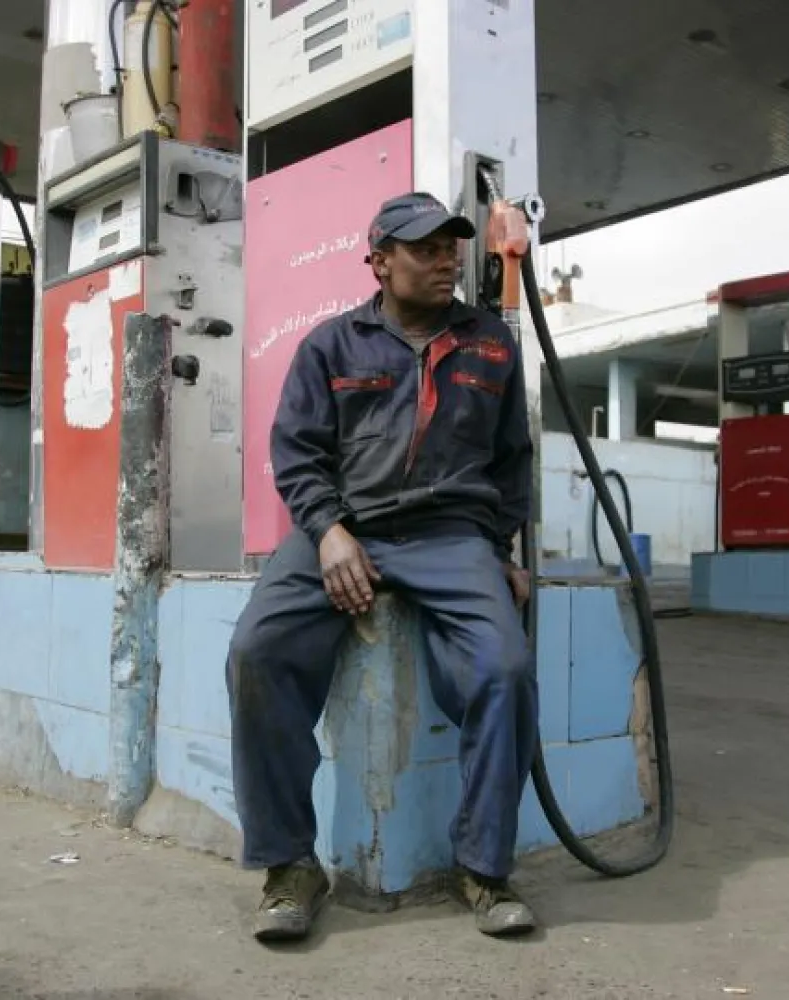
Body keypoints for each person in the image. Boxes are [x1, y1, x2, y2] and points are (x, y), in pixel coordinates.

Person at [226, 192, 539, 942]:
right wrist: (329, 533)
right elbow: (296, 453)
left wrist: (501, 552)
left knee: (504, 669)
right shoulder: (330, 346)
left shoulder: (492, 343)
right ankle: (289, 865)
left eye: (450, 247)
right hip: (347, 525)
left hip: (450, 535)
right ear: (379, 261)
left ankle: (483, 867)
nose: (445, 260)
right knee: (257, 653)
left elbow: (510, 462)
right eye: (424, 249)